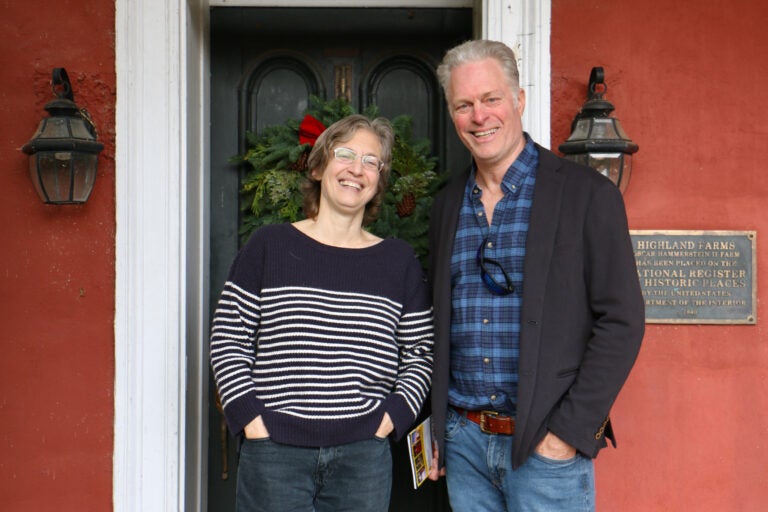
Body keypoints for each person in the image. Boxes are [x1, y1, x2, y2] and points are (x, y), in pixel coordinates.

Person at [426, 39, 645, 511]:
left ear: (519, 100)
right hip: (464, 445)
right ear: (451, 113)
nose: (479, 116)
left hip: (547, 449)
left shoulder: (587, 195)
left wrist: (567, 432)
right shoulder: (446, 206)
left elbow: (622, 321)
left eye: (491, 99)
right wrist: (440, 424)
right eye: (464, 105)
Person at [210, 114, 434, 512]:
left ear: (379, 180)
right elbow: (229, 337)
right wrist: (251, 421)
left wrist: (391, 419)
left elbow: (420, 352)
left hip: (362, 457)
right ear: (317, 167)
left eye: (371, 161)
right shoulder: (270, 245)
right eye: (345, 154)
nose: (356, 169)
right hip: (274, 452)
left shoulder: (397, 261)